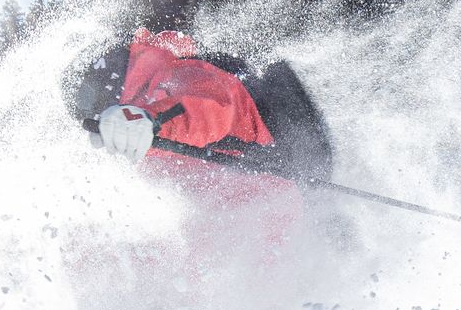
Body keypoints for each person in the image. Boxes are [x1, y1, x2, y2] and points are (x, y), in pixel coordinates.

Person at [68, 30, 334, 250]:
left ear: (107, 78)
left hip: (276, 180)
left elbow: (212, 109)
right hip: (241, 217)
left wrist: (151, 121)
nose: (92, 115)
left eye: (87, 100)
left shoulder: (175, 75)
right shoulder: (137, 138)